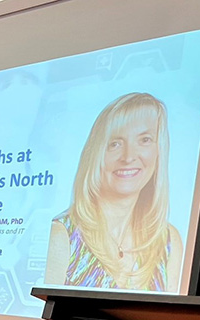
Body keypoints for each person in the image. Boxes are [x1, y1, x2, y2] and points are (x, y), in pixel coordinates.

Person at [45, 92, 183, 292]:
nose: (128, 157)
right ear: (96, 154)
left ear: (159, 150)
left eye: (144, 140)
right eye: (115, 144)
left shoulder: (168, 241)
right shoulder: (62, 236)